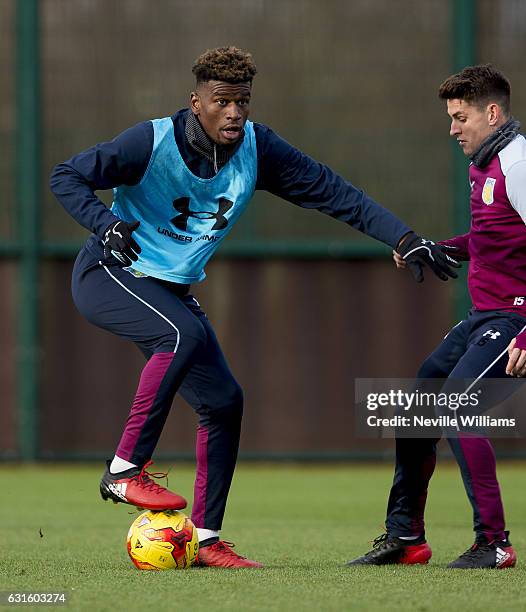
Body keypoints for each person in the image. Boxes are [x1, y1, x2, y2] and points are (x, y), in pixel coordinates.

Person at [50, 46, 459, 569]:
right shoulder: (147, 142)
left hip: (168, 289)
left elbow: (336, 193)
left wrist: (402, 237)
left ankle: (204, 540)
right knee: (180, 334)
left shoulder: (257, 149)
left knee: (223, 403)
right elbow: (66, 175)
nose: (235, 113)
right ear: (195, 102)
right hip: (109, 274)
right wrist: (103, 224)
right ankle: (125, 470)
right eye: (222, 101)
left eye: (243, 102)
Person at [348, 64, 526, 569]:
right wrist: (439, 247)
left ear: (492, 113)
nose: (453, 128)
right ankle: (405, 537)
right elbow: (495, 239)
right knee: (417, 405)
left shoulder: (524, 168)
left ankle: (493, 543)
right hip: (486, 317)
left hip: (521, 323)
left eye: (460, 117)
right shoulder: (485, 163)